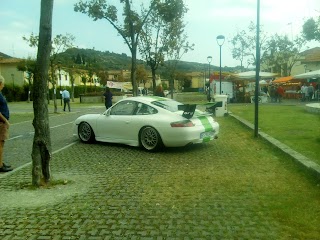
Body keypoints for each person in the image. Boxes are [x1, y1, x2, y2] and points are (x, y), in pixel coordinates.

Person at [0, 75, 13, 173]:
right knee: (0, 144)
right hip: (1, 123)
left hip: (2, 122)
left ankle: (0, 162)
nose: (3, 86)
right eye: (3, 83)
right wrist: (5, 120)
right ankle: (0, 166)